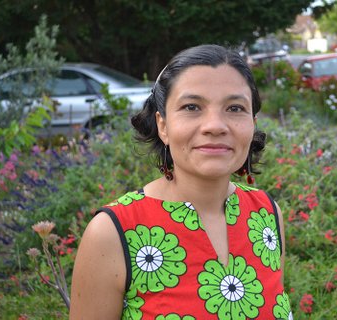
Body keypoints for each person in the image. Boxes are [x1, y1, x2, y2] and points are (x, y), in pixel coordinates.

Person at [70, 44, 292, 319]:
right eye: (192, 107)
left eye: (234, 108)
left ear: (253, 123)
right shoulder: (112, 232)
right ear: (163, 125)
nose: (215, 125)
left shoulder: (267, 214)